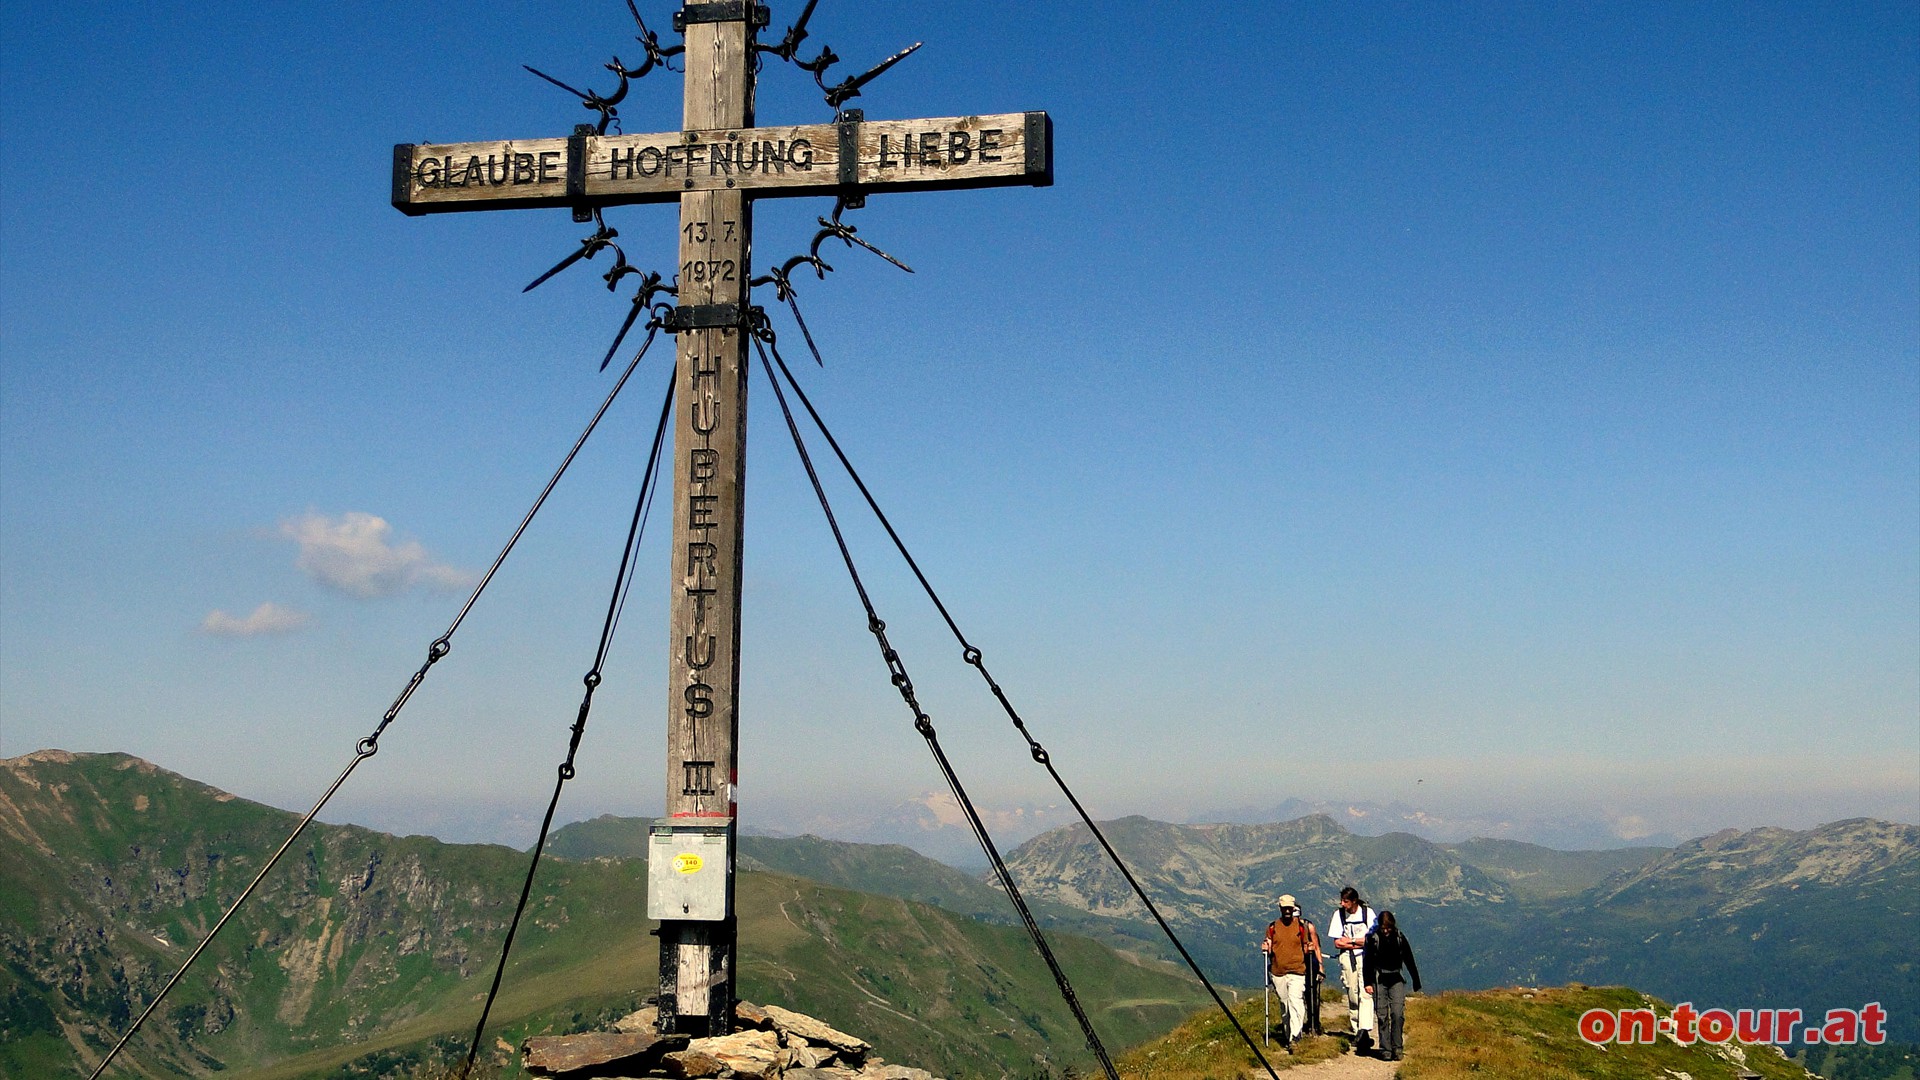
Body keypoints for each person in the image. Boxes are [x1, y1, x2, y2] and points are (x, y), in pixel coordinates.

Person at [1260, 893, 1323, 1048]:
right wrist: (1266, 948)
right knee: (1285, 1003)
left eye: (1290, 908)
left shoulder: (1301, 927)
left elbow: (1307, 944)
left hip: (1297, 970)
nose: (1287, 911)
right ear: (1280, 908)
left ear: (1293, 908)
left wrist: (1309, 949)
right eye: (1285, 908)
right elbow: (1269, 945)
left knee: (1296, 1001)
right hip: (1278, 971)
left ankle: (1296, 1036)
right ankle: (1289, 1035)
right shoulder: (1272, 927)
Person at [1363, 909, 1422, 1061]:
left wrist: (1416, 980)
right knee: (1382, 1015)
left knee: (1397, 1013)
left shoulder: (1399, 938)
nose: (1386, 931)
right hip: (1379, 978)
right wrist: (1367, 982)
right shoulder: (1373, 938)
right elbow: (1367, 962)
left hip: (1396, 977)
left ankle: (1397, 1046)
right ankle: (1385, 1048)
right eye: (1383, 928)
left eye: (1388, 928)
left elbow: (1409, 959)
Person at [1327, 886, 1377, 1052]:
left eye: (1345, 901)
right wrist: (1358, 941)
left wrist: (1350, 941)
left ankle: (1364, 1030)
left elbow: (1371, 939)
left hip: (1365, 957)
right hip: (1348, 957)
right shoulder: (1339, 915)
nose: (1342, 904)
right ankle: (1357, 1029)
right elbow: (1337, 942)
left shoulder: (1367, 913)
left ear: (1354, 901)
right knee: (1351, 992)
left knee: (1366, 992)